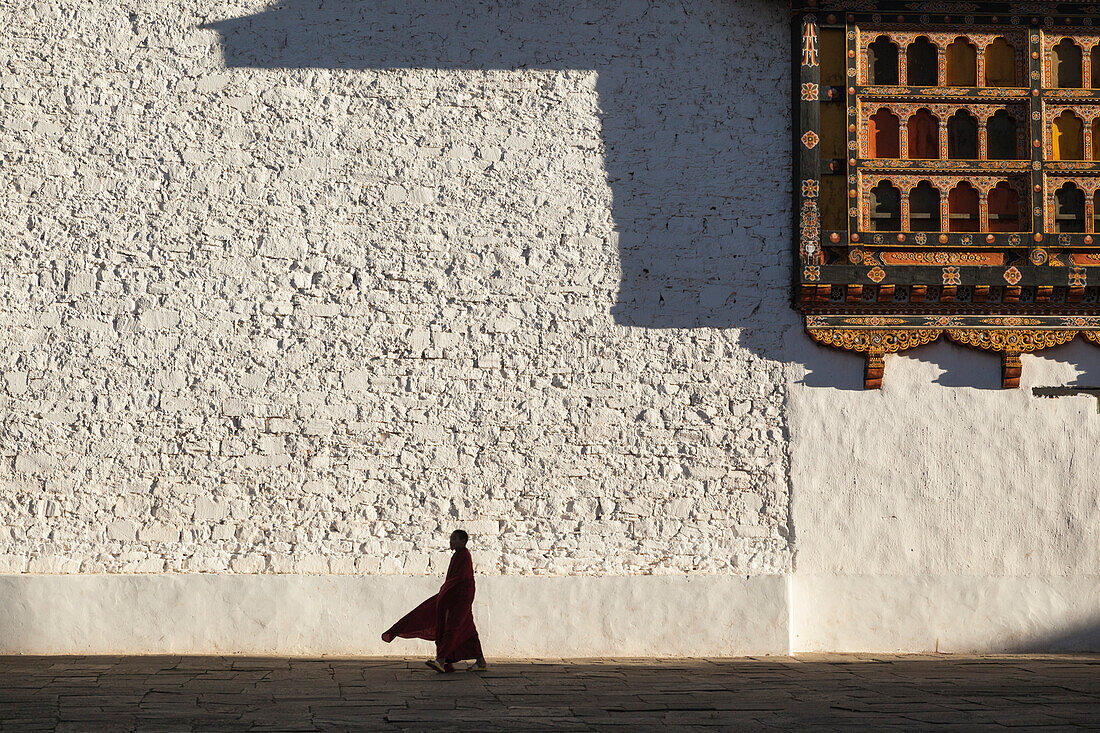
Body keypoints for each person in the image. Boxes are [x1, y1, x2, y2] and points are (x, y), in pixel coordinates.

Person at [381, 529, 487, 673]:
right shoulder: (457, 555)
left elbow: (461, 579)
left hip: (460, 598)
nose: (451, 541)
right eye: (451, 538)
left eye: (455, 538)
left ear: (463, 541)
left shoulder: (464, 556)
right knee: (468, 629)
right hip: (454, 597)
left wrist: (445, 593)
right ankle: (480, 661)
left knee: (452, 628)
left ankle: (441, 660)